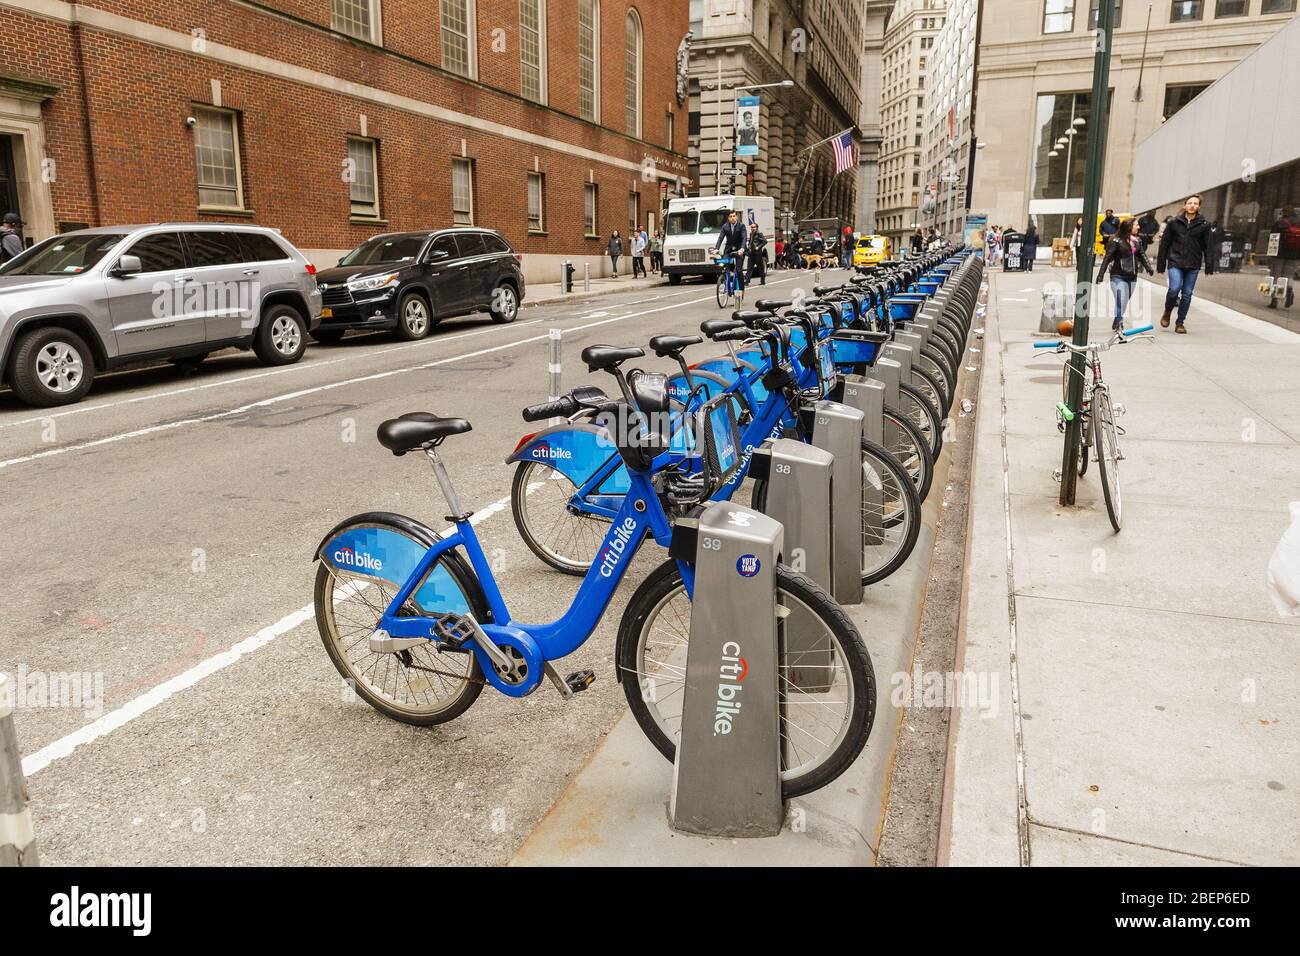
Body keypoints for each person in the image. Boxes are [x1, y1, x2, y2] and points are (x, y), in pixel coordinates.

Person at [1156, 194, 1215, 333]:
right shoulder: (1174, 223)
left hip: (1193, 264)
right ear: (1185, 205)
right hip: (1175, 261)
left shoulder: (1204, 225)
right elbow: (1164, 244)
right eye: (1190, 203)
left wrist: (1209, 265)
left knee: (1187, 294)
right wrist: (1161, 263)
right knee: (1174, 289)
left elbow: (1208, 246)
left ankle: (1180, 323)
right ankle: (1167, 311)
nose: (1192, 205)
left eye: (1195, 203)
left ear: (1199, 206)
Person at [1096, 218, 1154, 331]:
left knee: (1124, 301)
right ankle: (1119, 323)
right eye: (1136, 225)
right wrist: (1100, 275)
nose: (1138, 227)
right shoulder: (1115, 241)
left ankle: (1117, 318)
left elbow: (1142, 254)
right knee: (1121, 299)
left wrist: (1148, 267)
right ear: (1129, 226)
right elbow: (1107, 258)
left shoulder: (1137, 240)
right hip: (1117, 275)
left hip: (1132, 277)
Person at [1268, 204, 1299, 310]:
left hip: (1279, 253)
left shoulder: (1279, 223)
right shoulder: (1299, 223)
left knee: (1276, 275)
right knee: (1289, 275)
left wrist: (1271, 254)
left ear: (1284, 212)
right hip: (1294, 254)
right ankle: (1289, 292)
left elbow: (1272, 239)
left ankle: (1274, 300)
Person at [713, 209, 748, 293]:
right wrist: (716, 248)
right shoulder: (725, 226)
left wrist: (742, 248)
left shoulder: (741, 226)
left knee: (739, 270)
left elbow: (744, 238)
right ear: (728, 218)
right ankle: (726, 284)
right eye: (730, 217)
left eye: (734, 216)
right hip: (728, 250)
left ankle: (741, 289)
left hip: (739, 250)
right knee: (724, 266)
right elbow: (720, 238)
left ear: (736, 217)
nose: (732, 218)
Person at [747, 221, 768, 286]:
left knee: (760, 268)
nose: (753, 228)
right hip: (751, 253)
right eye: (752, 227)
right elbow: (751, 241)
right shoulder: (751, 233)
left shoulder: (759, 233)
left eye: (754, 227)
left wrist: (758, 247)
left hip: (757, 253)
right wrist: (749, 247)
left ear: (757, 228)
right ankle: (747, 281)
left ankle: (762, 281)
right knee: (749, 267)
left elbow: (765, 241)